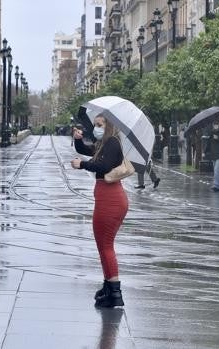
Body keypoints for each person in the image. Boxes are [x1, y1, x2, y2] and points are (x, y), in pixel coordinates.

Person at [71, 115, 128, 308]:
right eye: (95, 124)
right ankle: (108, 286)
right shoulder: (104, 143)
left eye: (99, 125)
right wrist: (78, 139)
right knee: (102, 245)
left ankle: (115, 292)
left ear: (109, 125)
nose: (95, 128)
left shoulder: (112, 143)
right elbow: (86, 150)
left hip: (110, 201)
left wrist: (82, 165)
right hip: (106, 198)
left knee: (106, 246)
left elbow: (103, 166)